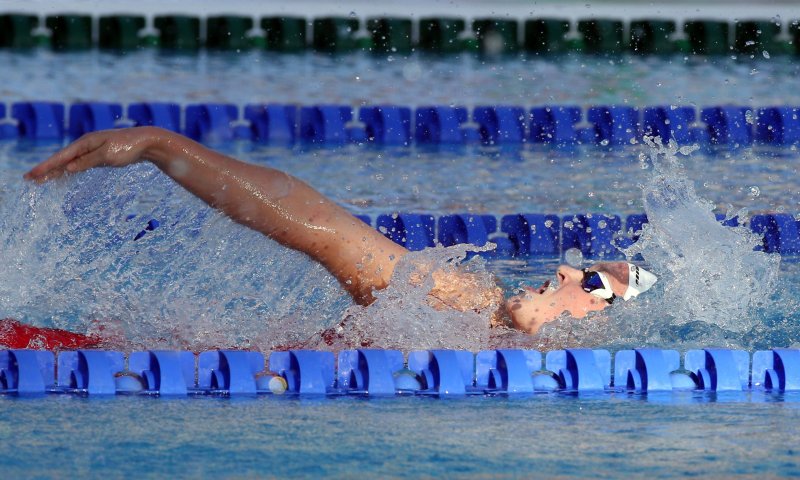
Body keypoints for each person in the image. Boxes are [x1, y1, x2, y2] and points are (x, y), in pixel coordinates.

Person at [11, 126, 656, 349]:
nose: (570, 273)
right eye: (582, 267)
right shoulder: (459, 300)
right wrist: (161, 146)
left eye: (597, 282)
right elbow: (318, 226)